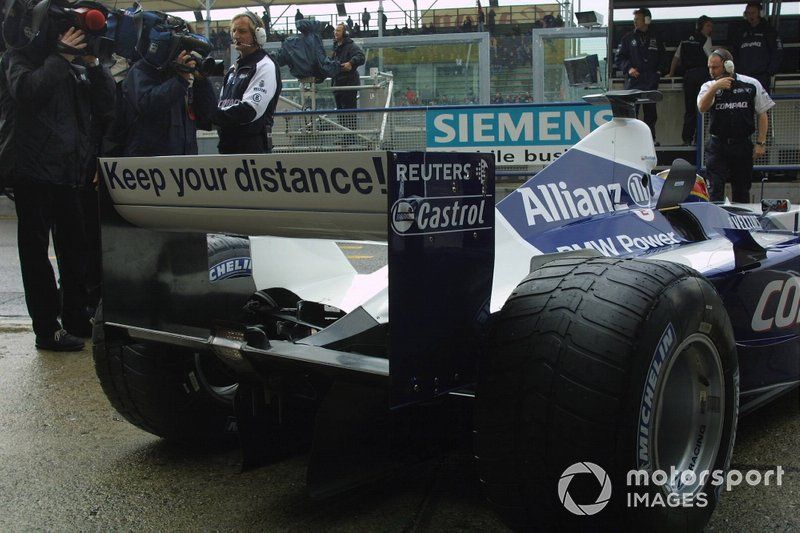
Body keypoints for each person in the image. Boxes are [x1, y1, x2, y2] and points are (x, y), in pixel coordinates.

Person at [2, 27, 114, 350]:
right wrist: (60, 57)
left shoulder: (76, 66)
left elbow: (107, 107)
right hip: (32, 172)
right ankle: (46, 329)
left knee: (76, 250)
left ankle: (77, 317)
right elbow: (27, 91)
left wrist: (94, 65)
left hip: (70, 172)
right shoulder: (18, 57)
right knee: (36, 255)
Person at [697, 48, 774, 203]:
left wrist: (761, 142)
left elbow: (763, 113)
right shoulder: (708, 86)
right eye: (709, 67)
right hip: (717, 145)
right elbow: (702, 108)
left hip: (742, 144)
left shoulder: (751, 84)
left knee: (741, 189)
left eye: (715, 67)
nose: (711, 71)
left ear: (728, 65)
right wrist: (715, 87)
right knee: (715, 189)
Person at [122, 47, 216, 156]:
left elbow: (208, 116)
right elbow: (147, 104)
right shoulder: (144, 69)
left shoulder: (186, 76)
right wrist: (180, 80)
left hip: (184, 160)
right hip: (150, 162)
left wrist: (202, 81)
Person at [213, 13, 281, 154]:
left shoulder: (265, 65)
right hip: (227, 147)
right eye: (234, 31)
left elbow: (250, 111)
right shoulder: (233, 69)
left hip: (252, 149)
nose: (236, 35)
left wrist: (211, 116)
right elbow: (222, 104)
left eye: (242, 31)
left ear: (258, 35)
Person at [615, 7, 664, 143]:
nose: (635, 22)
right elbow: (619, 59)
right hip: (634, 82)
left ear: (647, 20)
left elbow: (663, 57)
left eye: (638, 19)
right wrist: (629, 68)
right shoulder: (627, 38)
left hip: (650, 81)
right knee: (631, 113)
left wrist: (658, 72)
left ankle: (650, 140)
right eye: (634, 19)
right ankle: (631, 141)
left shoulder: (656, 37)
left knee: (651, 113)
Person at [667, 15, 713, 145]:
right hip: (702, 76)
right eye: (708, 26)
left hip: (688, 77)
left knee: (689, 110)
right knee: (702, 108)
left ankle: (686, 139)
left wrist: (671, 73)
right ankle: (699, 140)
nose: (710, 29)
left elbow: (676, 57)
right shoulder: (706, 39)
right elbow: (711, 58)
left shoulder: (685, 40)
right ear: (701, 27)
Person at [733, 2, 782, 94]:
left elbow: (777, 53)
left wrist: (769, 72)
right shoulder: (740, 32)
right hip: (744, 77)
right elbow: (735, 53)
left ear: (760, 13)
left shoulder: (769, 31)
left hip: (762, 77)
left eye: (753, 13)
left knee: (762, 106)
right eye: (748, 13)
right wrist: (738, 71)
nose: (750, 16)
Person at [332, 23, 365, 135]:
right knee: (341, 113)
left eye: (339, 30)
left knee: (349, 113)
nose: (336, 32)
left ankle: (350, 138)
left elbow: (361, 57)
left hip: (348, 84)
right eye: (335, 30)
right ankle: (344, 137)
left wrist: (351, 63)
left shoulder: (351, 46)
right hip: (338, 84)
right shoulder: (336, 47)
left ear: (345, 33)